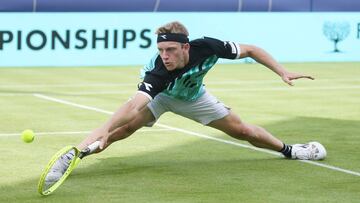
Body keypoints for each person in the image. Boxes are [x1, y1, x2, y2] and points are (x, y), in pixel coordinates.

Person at [49, 21, 325, 180]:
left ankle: (292, 150)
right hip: (162, 96)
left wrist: (282, 71)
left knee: (242, 130)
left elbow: (251, 49)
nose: (165, 55)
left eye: (170, 49)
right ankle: (72, 158)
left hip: (194, 97)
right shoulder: (157, 73)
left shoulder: (209, 47)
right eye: (160, 50)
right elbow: (132, 107)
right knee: (120, 130)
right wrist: (102, 132)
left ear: (185, 47)